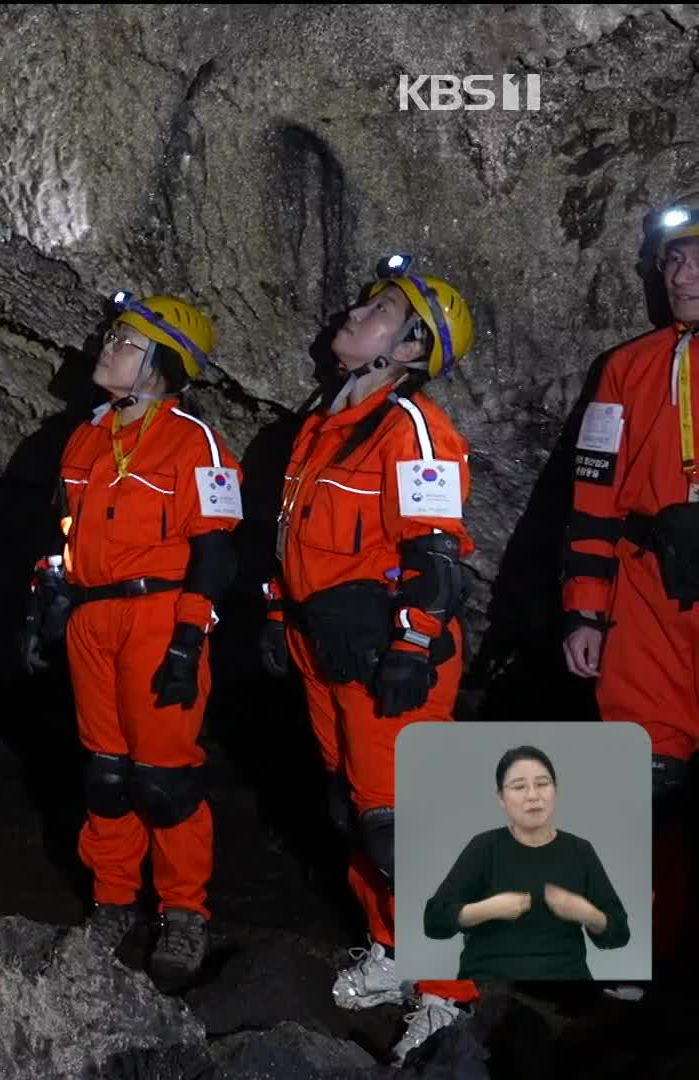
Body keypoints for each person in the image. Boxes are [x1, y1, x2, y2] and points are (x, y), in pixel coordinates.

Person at [257, 256, 482, 1062]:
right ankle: (394, 950)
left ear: (412, 349)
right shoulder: (324, 424)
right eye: (364, 299)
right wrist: (280, 614)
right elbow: (297, 539)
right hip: (329, 649)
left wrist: (415, 642)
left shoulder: (411, 426)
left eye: (382, 308)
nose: (357, 312)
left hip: (390, 653)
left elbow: (436, 553)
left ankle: (448, 993)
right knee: (355, 811)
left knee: (402, 830)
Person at [22, 292, 242, 990]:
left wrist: (189, 638)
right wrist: (50, 595)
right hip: (93, 619)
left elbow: (216, 550)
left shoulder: (193, 440)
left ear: (161, 365)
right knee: (107, 774)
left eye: (125, 340)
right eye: (113, 335)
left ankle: (183, 912)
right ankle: (114, 901)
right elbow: (63, 532)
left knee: (164, 780)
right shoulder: (85, 439)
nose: (107, 346)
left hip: (159, 617)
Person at [560, 192, 699, 980]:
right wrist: (585, 609)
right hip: (646, 590)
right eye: (671, 259)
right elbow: (593, 495)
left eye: (696, 257)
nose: (682, 272)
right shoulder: (627, 367)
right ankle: (636, 948)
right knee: (642, 777)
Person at [423, 745, 631, 981]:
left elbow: (619, 933)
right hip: (491, 984)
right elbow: (433, 922)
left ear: (555, 790)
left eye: (543, 784)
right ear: (501, 798)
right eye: (519, 787)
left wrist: (589, 914)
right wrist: (487, 909)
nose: (533, 795)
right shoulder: (484, 847)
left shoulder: (580, 850)